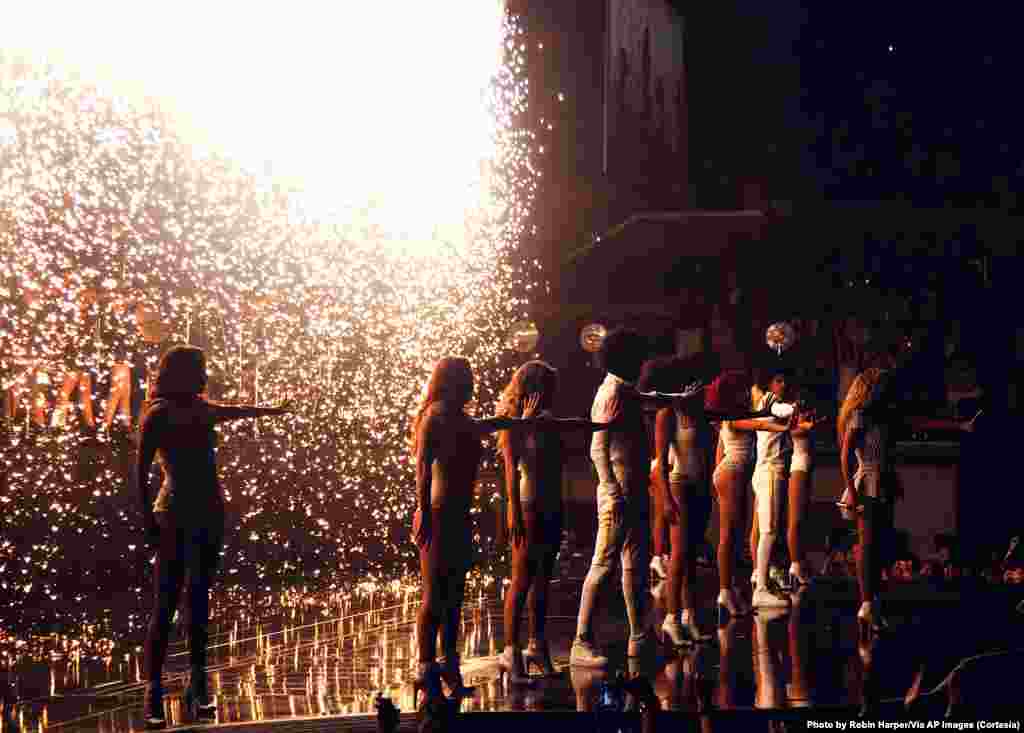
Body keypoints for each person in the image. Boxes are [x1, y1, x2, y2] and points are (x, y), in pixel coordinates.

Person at [136, 345, 290, 729]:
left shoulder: (200, 409)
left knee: (198, 597)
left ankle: (197, 681)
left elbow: (236, 412)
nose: (206, 375)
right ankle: (154, 688)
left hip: (206, 512)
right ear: (185, 373)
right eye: (201, 369)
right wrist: (147, 521)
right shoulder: (160, 414)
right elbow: (139, 471)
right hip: (175, 513)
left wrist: (272, 410)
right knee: (168, 600)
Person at [410, 357, 570, 703]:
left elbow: (493, 424)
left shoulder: (461, 417)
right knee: (435, 596)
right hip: (437, 513)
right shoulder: (434, 417)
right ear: (452, 381)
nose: (472, 385)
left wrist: (523, 421)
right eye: (467, 379)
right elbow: (423, 467)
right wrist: (422, 511)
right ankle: (425, 669)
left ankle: (449, 667)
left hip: (457, 515)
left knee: (453, 596)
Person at [570, 329, 702, 667]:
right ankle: (581, 641)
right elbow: (597, 447)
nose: (644, 364)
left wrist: (676, 398)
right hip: (617, 494)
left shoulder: (623, 389)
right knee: (604, 563)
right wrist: (612, 490)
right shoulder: (611, 392)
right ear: (626, 358)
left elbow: (647, 397)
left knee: (634, 566)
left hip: (631, 491)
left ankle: (639, 637)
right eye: (640, 358)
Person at [496, 360, 616, 684]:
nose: (553, 394)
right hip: (528, 503)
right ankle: (510, 650)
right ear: (533, 389)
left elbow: (574, 433)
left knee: (544, 579)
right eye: (548, 388)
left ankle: (537, 645)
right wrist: (513, 513)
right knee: (522, 578)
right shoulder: (512, 422)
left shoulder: (549, 420)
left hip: (551, 503)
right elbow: (510, 469)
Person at [640, 356, 715, 647]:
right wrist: (666, 501)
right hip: (679, 484)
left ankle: (689, 616)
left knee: (692, 556)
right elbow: (659, 464)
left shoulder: (699, 413)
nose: (700, 388)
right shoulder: (667, 415)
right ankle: (671, 619)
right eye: (694, 384)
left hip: (698, 485)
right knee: (679, 556)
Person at [709, 371, 792, 621]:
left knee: (736, 534)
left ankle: (731, 587)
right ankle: (724, 591)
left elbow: (719, 448)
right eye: (742, 390)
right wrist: (777, 424)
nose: (747, 393)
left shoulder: (738, 414)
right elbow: (758, 424)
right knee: (728, 534)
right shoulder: (731, 416)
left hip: (733, 472)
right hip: (732, 472)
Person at [838, 368, 897, 637]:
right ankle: (866, 605)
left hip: (882, 480)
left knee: (879, 543)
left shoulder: (882, 415)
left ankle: (873, 604)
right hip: (867, 482)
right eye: (882, 384)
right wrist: (852, 491)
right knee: (867, 543)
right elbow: (846, 454)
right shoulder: (860, 415)